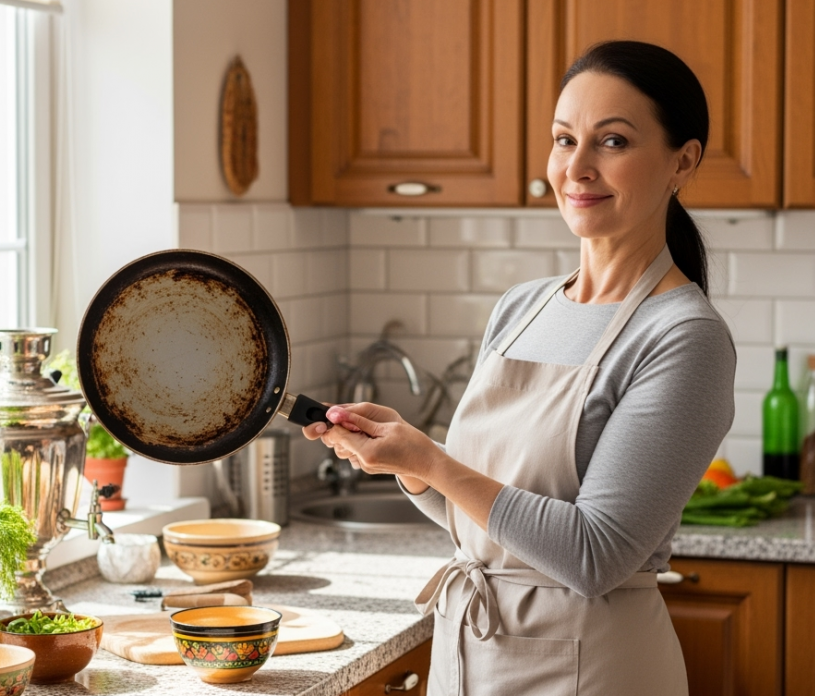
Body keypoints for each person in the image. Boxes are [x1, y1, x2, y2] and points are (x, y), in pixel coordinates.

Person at [303, 40, 736, 696]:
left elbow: (594, 555)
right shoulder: (522, 308)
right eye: (565, 140)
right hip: (471, 655)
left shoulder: (683, 336)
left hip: (591, 671)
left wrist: (431, 462)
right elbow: (485, 521)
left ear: (684, 160)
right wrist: (405, 467)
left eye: (612, 142)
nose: (577, 168)